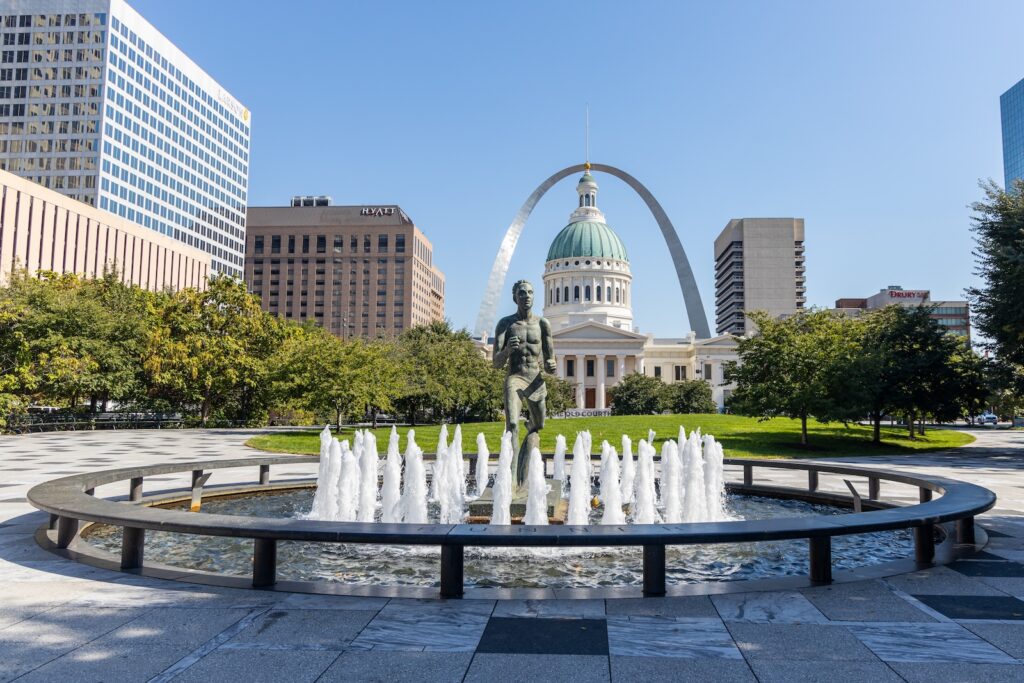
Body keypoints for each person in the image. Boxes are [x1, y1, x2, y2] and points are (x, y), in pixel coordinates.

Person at [492, 279, 556, 491]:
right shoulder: (506, 324)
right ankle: (512, 477)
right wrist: (508, 351)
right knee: (511, 425)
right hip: (515, 378)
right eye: (522, 293)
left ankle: (526, 463)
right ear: (514, 297)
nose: (526, 296)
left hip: (535, 380)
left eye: (530, 292)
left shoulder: (542, 324)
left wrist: (551, 365)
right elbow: (496, 364)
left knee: (538, 426)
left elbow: (549, 361)